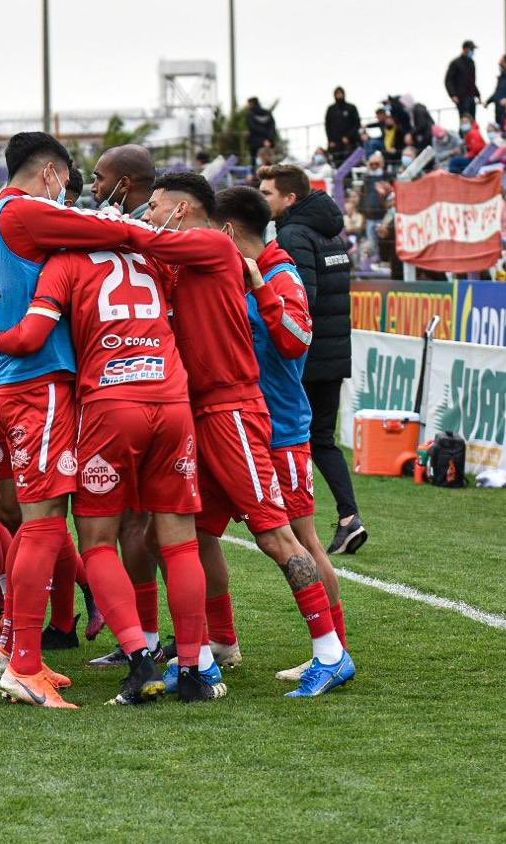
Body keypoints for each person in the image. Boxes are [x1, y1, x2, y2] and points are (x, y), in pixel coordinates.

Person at [0, 131, 156, 709]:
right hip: (36, 381)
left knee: (36, 521)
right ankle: (22, 665)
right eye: (68, 182)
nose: (69, 194)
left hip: (24, 380)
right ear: (50, 174)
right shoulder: (25, 214)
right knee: (43, 522)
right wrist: (163, 234)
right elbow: (111, 230)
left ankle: (14, 646)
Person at [134, 171, 355, 698]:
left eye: (155, 205)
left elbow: (297, 341)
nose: (148, 215)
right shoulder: (193, 258)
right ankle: (207, 653)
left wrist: (91, 221)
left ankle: (332, 651)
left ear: (191, 214)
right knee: (173, 538)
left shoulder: (229, 251)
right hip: (211, 415)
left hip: (251, 417)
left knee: (283, 537)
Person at [0, 239, 219, 705]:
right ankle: (194, 670)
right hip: (172, 401)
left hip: (111, 403)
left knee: (97, 542)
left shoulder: (65, 261)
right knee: (181, 541)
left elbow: (32, 335)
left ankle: (140, 659)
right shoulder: (152, 256)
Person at [215, 186, 351, 682]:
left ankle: (333, 649)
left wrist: (261, 291)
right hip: (237, 424)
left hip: (280, 429)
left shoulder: (280, 271)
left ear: (227, 230)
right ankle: (216, 640)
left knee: (302, 539)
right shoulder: (235, 273)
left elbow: (295, 343)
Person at [84, 143, 165, 666]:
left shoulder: (85, 244)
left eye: (98, 178)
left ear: (125, 183)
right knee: (170, 532)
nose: (92, 187)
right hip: (170, 392)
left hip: (115, 397)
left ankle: (152, 641)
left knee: (119, 530)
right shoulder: (168, 240)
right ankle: (202, 647)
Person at [257, 164, 365, 554]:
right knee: (323, 438)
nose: (261, 197)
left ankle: (328, 518)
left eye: (267, 192)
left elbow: (301, 300)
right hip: (333, 350)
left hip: (306, 355)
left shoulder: (293, 234)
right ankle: (348, 517)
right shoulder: (329, 229)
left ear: (291, 198)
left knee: (302, 437)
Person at [324, 87, 362, 161]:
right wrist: (330, 140)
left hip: (351, 141)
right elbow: (327, 125)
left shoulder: (351, 107)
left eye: (340, 93)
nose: (339, 95)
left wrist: (348, 136)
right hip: (335, 142)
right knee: (337, 161)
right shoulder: (331, 109)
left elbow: (357, 124)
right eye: (337, 93)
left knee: (350, 161)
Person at [444, 39, 479, 119]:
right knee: (464, 119)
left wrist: (478, 95)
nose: (473, 51)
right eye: (471, 49)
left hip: (471, 97)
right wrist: (453, 95)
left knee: (472, 120)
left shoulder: (472, 63)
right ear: (465, 49)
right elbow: (448, 80)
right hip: (461, 98)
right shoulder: (455, 63)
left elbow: (472, 82)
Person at [245, 97, 278, 162]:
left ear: (251, 103)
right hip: (268, 142)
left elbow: (253, 128)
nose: (247, 106)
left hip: (255, 143)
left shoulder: (249, 115)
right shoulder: (268, 113)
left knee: (254, 162)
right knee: (270, 162)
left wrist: (263, 140)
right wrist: (268, 139)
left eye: (248, 104)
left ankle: (254, 171)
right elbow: (272, 127)